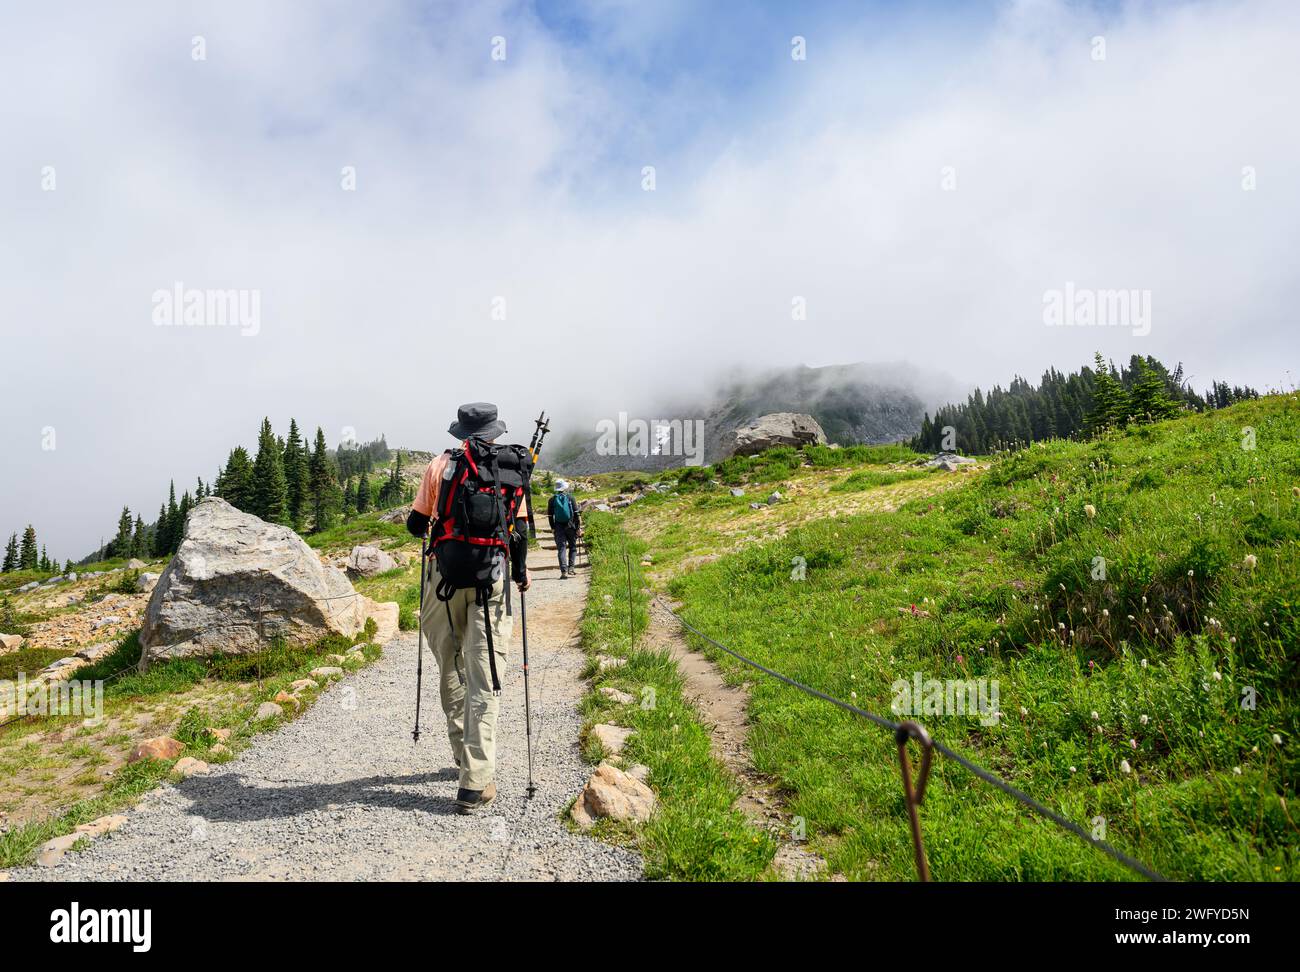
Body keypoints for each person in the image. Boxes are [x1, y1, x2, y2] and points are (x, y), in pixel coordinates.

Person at [406, 403, 530, 813]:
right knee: (486, 673)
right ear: (494, 431)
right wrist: (520, 574)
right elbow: (520, 531)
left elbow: (414, 524)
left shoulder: (439, 466)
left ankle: (461, 753)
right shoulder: (510, 468)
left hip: (441, 577)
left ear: (461, 432)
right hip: (490, 581)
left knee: (451, 667)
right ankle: (474, 782)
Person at [547, 479, 581, 578]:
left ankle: (563, 572)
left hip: (558, 527)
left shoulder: (552, 500)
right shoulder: (571, 498)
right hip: (571, 526)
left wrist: (553, 528)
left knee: (561, 549)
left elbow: (550, 516)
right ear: (565, 488)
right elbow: (576, 514)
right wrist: (578, 527)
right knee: (573, 547)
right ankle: (571, 568)